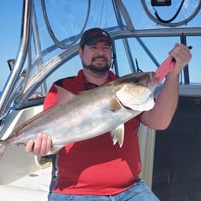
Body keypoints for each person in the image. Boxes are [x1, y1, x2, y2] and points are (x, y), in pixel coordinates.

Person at [25, 28, 191, 200]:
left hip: (131, 189)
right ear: (80, 52)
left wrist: (174, 74)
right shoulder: (63, 88)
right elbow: (49, 136)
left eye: (106, 48)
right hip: (75, 193)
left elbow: (160, 122)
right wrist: (42, 147)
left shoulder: (127, 92)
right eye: (93, 47)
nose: (100, 53)